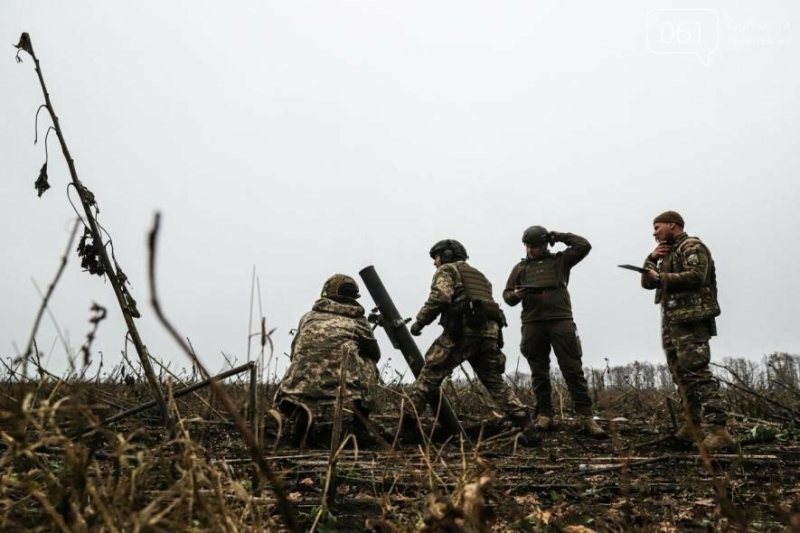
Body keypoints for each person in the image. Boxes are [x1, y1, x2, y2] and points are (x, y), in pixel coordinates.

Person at [408, 239, 540, 444]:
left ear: (446, 255)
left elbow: (440, 297)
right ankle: (527, 426)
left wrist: (419, 322)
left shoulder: (447, 270)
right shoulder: (480, 276)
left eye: (436, 257)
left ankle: (405, 427)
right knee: (494, 383)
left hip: (462, 332)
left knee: (428, 376)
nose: (435, 263)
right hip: (489, 334)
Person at [641, 211, 735, 451]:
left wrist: (660, 276)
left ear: (673, 225)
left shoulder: (692, 246)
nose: (654, 232)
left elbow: (696, 276)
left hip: (691, 320)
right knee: (680, 374)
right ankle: (692, 427)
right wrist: (651, 259)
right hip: (673, 320)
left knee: (697, 372)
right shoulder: (667, 251)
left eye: (657, 227)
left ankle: (719, 429)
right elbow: (647, 282)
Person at [502, 226, 607, 438]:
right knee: (539, 372)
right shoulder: (520, 268)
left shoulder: (560, 261)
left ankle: (586, 417)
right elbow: (506, 295)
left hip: (561, 321)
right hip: (533, 323)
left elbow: (584, 245)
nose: (531, 250)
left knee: (572, 369)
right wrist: (516, 295)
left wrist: (558, 236)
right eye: (528, 246)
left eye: (536, 246)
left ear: (545, 245)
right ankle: (544, 415)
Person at [274, 274, 382, 446]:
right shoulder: (359, 321)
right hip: (343, 388)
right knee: (369, 363)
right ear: (353, 297)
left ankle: (303, 419)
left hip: (297, 389)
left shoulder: (308, 317)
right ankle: (360, 427)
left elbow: (295, 351)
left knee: (301, 362)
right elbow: (374, 353)